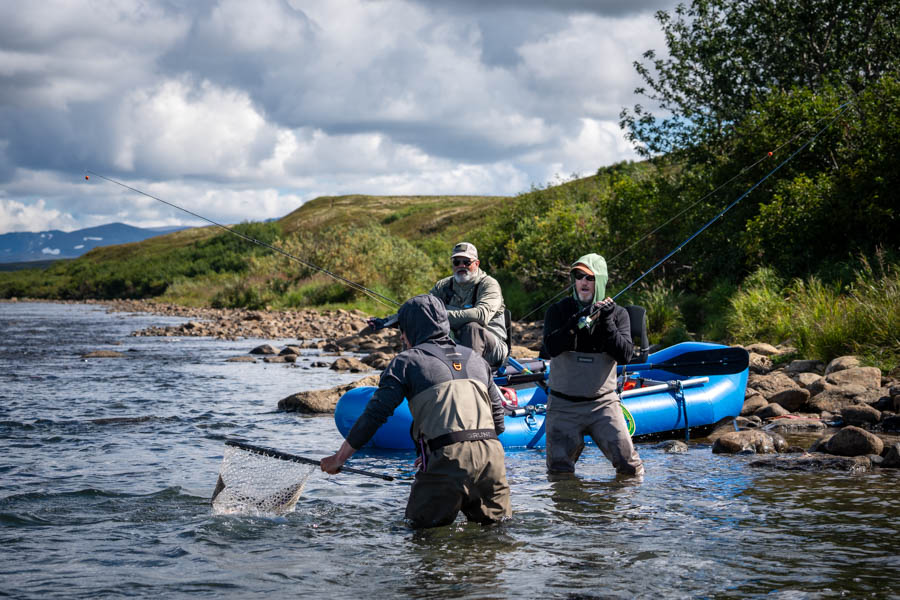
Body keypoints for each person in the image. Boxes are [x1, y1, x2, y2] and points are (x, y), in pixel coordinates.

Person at [322, 294, 511, 528]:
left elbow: (375, 415)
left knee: (422, 537)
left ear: (413, 328)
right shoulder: (476, 359)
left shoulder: (406, 362)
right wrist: (447, 446)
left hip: (446, 461)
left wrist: (338, 459)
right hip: (492, 458)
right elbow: (498, 423)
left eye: (402, 329)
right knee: (496, 534)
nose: (401, 335)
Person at [541, 253, 644, 477]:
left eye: (589, 277)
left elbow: (625, 355)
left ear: (600, 281)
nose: (583, 282)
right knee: (559, 472)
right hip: (563, 406)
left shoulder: (618, 314)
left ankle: (624, 511)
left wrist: (606, 322)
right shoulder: (558, 311)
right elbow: (551, 349)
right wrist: (575, 323)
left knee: (630, 469)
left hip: (603, 405)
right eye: (578, 276)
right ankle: (569, 511)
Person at [428, 242, 508, 368]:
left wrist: (441, 316)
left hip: (491, 349)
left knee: (472, 328)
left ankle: (471, 377)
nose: (461, 266)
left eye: (466, 262)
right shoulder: (442, 286)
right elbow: (425, 309)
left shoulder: (489, 284)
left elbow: (481, 315)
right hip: (453, 343)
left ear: (476, 263)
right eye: (456, 262)